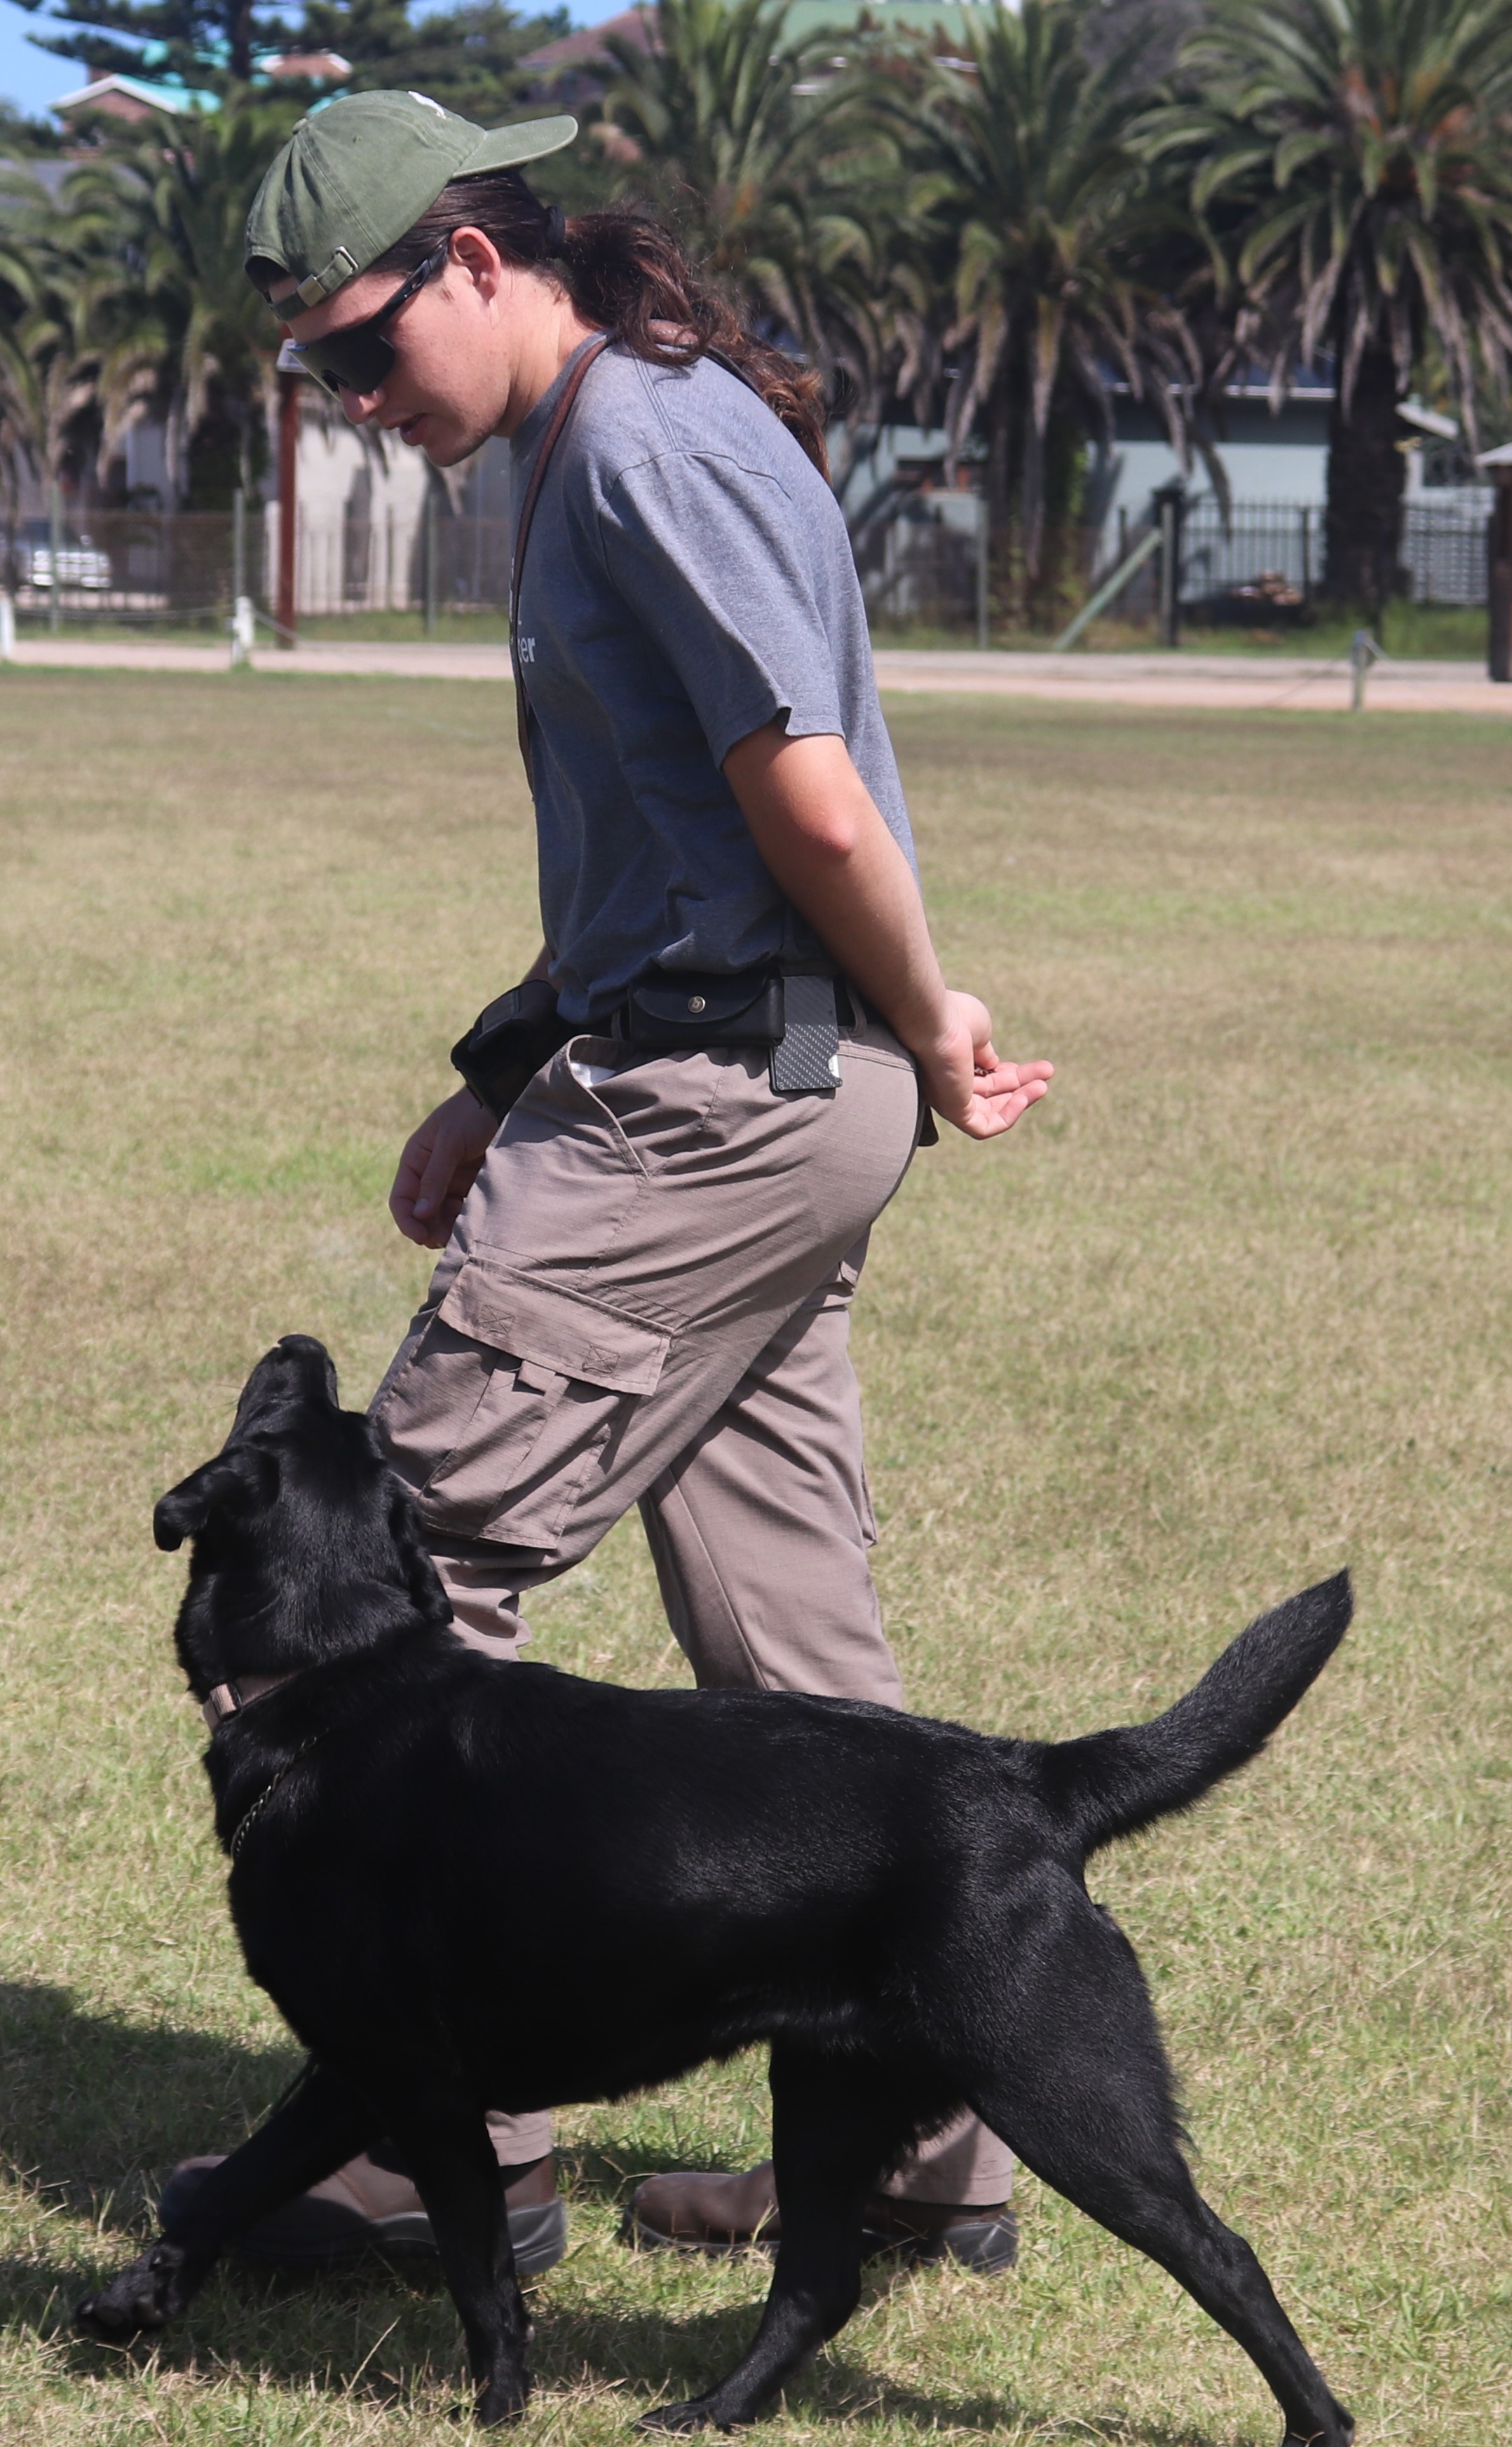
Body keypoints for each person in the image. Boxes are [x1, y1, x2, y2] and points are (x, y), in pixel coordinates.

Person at [162, 90, 1052, 2281]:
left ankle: (434, 2141)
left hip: (714, 1103)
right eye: (313, 376)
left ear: (475, 261)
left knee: (391, 1569)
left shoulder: (643, 446)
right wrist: (499, 1072)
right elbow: (666, 849)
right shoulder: (600, 440)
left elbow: (808, 803)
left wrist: (931, 1013)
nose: (353, 401)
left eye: (361, 351)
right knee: (789, 1632)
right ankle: (918, 2140)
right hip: (736, 1074)